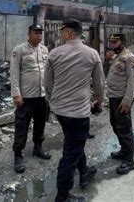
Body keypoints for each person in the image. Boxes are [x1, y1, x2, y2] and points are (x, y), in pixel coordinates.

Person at [44, 20, 105, 202]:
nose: (62, 33)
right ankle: (62, 197)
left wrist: (52, 100)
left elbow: (47, 84)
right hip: (79, 112)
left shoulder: (54, 53)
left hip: (61, 111)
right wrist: (98, 101)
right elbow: (100, 85)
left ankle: (84, 172)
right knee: (70, 154)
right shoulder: (92, 54)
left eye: (63, 31)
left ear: (69, 33)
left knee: (73, 143)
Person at [10, 24, 51, 173]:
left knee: (40, 123)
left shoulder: (44, 49)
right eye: (36, 32)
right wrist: (16, 93)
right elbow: (14, 73)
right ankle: (18, 154)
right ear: (28, 34)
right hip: (26, 97)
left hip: (41, 95)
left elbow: (46, 71)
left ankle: (38, 147)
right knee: (22, 126)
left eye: (41, 33)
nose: (39, 35)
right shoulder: (19, 50)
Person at [105, 34, 134, 175]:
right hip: (113, 97)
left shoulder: (129, 58)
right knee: (115, 124)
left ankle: (130, 161)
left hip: (121, 99)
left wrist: (127, 102)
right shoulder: (116, 57)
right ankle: (124, 150)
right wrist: (107, 60)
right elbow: (108, 74)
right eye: (111, 42)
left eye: (115, 42)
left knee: (124, 129)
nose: (112, 44)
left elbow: (131, 83)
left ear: (123, 42)